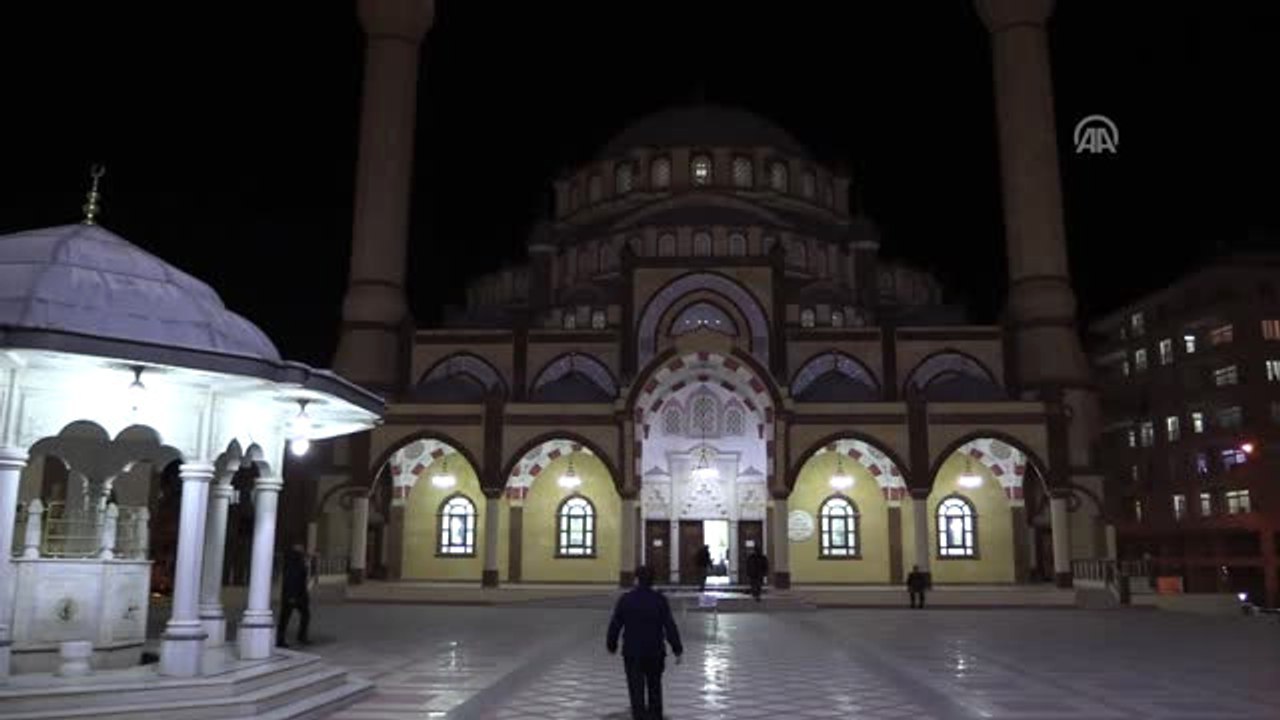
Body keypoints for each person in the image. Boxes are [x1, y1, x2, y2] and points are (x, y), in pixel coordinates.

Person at [607, 565, 684, 720]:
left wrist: (611, 644)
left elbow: (615, 624)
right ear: (652, 580)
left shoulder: (626, 599)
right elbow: (669, 626)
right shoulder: (660, 600)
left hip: (632, 652)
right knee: (655, 687)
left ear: (636, 579)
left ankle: (639, 716)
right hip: (655, 651)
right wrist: (677, 649)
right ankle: (655, 716)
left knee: (636, 689)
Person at [277, 543, 313, 647]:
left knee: (289, 617)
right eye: (301, 549)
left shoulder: (293, 562)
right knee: (287, 617)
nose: (303, 550)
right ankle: (282, 639)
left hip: (296, 595)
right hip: (294, 595)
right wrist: (291, 596)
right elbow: (291, 580)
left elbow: (299, 578)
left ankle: (297, 636)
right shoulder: (295, 563)